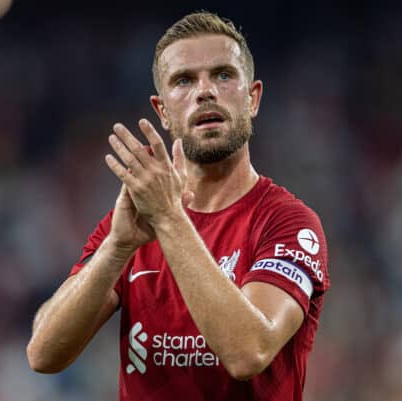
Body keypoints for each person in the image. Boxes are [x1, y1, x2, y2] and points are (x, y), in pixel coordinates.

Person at [26, 11, 330, 401]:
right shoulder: (136, 221)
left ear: (252, 98)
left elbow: (248, 352)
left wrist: (169, 218)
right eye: (184, 80)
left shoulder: (288, 223)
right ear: (163, 111)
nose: (205, 91)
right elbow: (43, 353)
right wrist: (117, 247)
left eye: (223, 75)